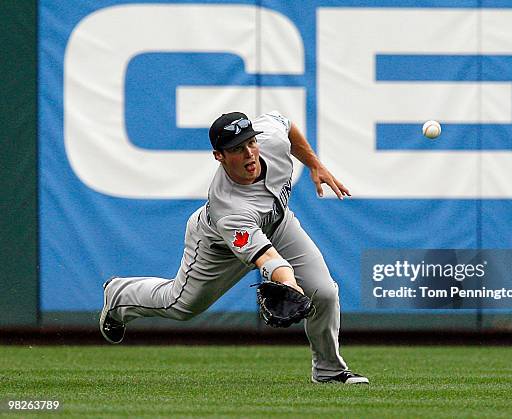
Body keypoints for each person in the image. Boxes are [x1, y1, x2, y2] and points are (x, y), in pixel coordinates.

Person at [99, 110, 369, 384]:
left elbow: (286, 125)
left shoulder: (270, 140)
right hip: (217, 246)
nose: (249, 153)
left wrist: (314, 164)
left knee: (324, 293)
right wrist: (292, 285)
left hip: (277, 224)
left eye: (251, 142)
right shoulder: (228, 208)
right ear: (219, 156)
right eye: (237, 149)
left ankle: (328, 370)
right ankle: (119, 295)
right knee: (180, 305)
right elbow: (267, 258)